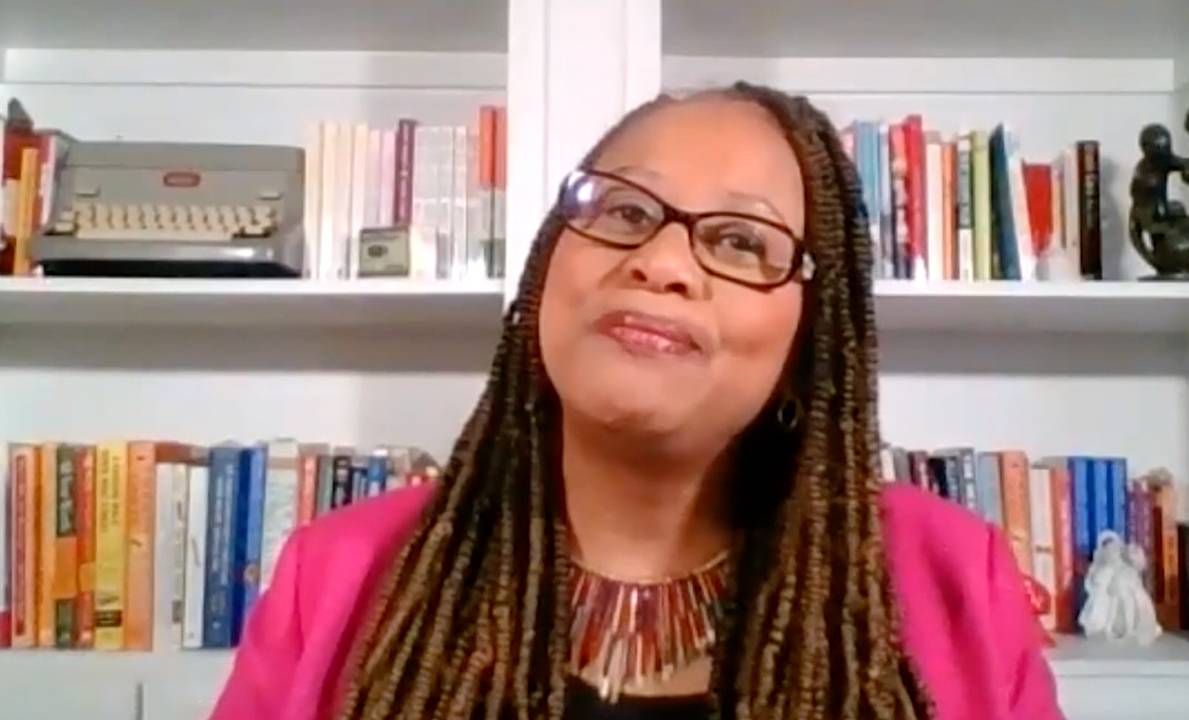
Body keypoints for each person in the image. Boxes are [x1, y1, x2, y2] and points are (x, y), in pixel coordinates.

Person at [210, 83, 1062, 719]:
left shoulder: (960, 587)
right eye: (622, 209)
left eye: (738, 239)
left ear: (810, 345)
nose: (660, 260)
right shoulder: (331, 576)